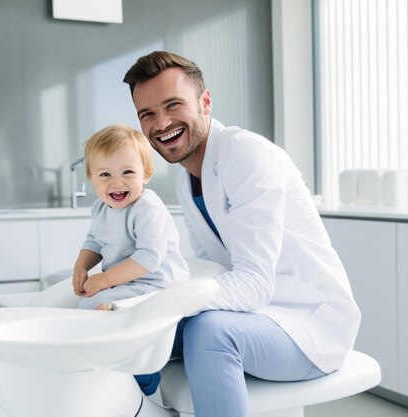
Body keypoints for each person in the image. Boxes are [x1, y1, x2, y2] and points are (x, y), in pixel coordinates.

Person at [123, 51, 361, 417]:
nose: (162, 122)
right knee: (127, 327)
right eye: (147, 114)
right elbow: (209, 269)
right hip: (257, 315)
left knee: (209, 332)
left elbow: (254, 283)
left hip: (309, 323)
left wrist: (169, 304)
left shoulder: (246, 155)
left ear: (205, 102)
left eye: (173, 105)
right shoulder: (188, 180)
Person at [72, 124, 190, 395]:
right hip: (129, 283)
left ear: (146, 174)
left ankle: (142, 375)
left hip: (157, 285)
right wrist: (82, 266)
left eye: (127, 172)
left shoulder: (147, 208)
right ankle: (101, 369)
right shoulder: (101, 207)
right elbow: (94, 242)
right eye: (105, 174)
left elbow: (149, 258)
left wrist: (103, 280)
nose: (116, 183)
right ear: (91, 178)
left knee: (103, 310)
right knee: (86, 307)